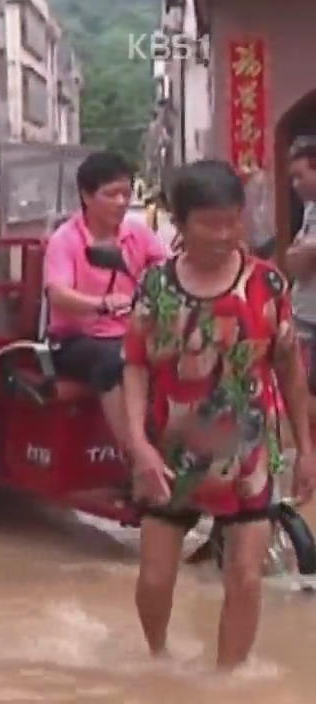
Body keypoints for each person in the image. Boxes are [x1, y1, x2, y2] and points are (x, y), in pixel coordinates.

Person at [123, 160, 315, 671]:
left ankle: (227, 680)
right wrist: (137, 445)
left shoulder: (267, 286)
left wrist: (307, 452)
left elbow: (291, 373)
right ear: (179, 225)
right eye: (210, 223)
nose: (226, 234)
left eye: (234, 221)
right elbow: (136, 366)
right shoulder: (156, 288)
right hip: (171, 453)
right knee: (155, 579)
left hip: (249, 456)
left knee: (246, 577)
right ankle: (157, 661)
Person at [44, 151, 168, 446]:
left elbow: (166, 265)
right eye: (111, 194)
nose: (122, 202)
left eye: (126, 193)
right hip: (76, 340)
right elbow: (57, 294)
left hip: (131, 329)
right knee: (115, 360)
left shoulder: (137, 233)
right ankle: (135, 456)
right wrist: (101, 304)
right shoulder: (65, 239)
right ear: (86, 196)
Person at [281, 135, 316, 427]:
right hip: (305, 313)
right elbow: (295, 262)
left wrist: (302, 252)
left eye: (299, 176)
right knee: (302, 390)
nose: (294, 185)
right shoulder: (310, 209)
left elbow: (301, 257)